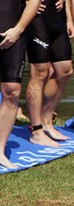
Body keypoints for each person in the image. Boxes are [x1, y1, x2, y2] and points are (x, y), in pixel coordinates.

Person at [25, 0, 74, 148]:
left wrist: (69, 18)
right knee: (40, 72)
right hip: (37, 17)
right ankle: (36, 130)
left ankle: (46, 121)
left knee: (65, 70)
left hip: (57, 16)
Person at [0, 0, 42, 169]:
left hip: (13, 33)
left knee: (12, 91)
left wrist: (18, 29)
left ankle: (0, 150)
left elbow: (34, 2)